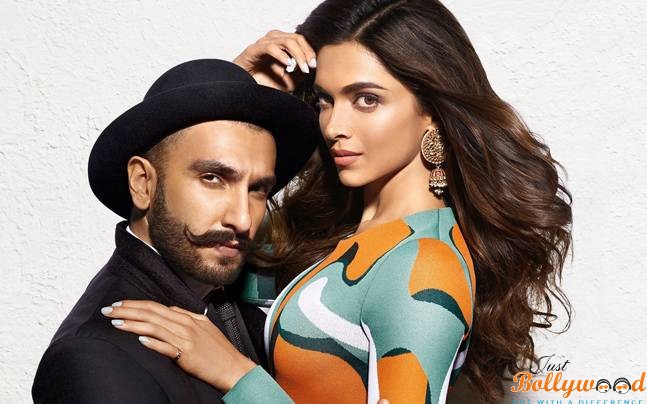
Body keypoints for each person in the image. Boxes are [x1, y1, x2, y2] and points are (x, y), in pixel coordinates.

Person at [102, 1, 574, 403]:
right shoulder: (349, 231)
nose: (333, 127)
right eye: (325, 101)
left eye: (366, 100)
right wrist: (244, 99)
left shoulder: (425, 264)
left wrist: (238, 377)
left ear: (431, 112)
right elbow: (217, 266)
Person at [31, 58, 319, 403]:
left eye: (257, 189)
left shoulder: (228, 304)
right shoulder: (94, 357)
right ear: (143, 183)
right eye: (213, 178)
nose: (243, 220)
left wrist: (241, 92)